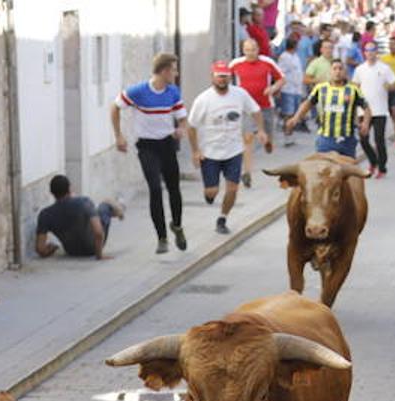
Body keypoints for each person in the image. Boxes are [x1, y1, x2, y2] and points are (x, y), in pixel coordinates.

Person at [111, 52, 188, 254]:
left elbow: (182, 118)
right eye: (174, 69)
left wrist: (181, 129)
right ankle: (162, 237)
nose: (176, 73)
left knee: (174, 188)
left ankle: (177, 226)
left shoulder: (173, 92)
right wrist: (118, 136)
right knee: (155, 188)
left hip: (167, 144)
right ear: (164, 71)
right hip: (146, 147)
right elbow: (115, 106)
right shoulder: (138, 91)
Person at [189, 61, 263, 234]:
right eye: (219, 76)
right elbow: (191, 127)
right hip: (210, 152)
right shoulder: (203, 99)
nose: (223, 80)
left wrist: (260, 129)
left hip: (233, 150)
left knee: (232, 188)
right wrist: (195, 151)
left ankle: (222, 219)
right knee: (212, 191)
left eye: (226, 76)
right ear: (213, 77)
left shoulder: (240, 94)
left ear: (230, 77)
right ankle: (209, 195)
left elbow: (256, 110)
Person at [287, 59, 369, 157]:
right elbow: (307, 104)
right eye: (335, 69)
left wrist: (366, 123)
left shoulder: (353, 90)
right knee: (323, 169)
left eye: (340, 69)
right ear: (330, 71)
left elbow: (366, 108)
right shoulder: (320, 88)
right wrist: (295, 118)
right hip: (326, 139)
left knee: (347, 169)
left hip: (347, 139)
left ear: (345, 72)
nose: (337, 71)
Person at [232, 38, 286, 183]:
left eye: (253, 49)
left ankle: (268, 142)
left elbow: (281, 78)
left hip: (265, 105)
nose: (250, 53)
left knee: (267, 137)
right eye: (247, 50)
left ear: (258, 49)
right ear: (243, 50)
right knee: (247, 138)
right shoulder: (236, 64)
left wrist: (273, 88)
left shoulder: (267, 62)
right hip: (246, 107)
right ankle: (247, 172)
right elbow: (224, 79)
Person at [35, 175, 123, 259]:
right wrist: (99, 255)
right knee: (104, 206)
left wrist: (52, 248)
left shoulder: (45, 214)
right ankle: (119, 208)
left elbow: (40, 249)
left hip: (72, 251)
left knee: (97, 211)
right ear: (69, 188)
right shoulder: (84, 202)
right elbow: (98, 232)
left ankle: (118, 208)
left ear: (51, 192)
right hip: (93, 248)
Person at [352, 42, 395, 176]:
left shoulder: (384, 68)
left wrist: (389, 87)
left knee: (379, 140)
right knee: (363, 140)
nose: (370, 53)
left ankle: (382, 168)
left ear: (376, 52)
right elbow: (355, 86)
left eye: (372, 50)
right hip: (364, 110)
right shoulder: (360, 69)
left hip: (380, 110)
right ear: (364, 53)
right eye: (367, 51)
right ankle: (373, 162)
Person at [277, 36, 305, 142]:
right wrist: (279, 88)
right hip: (288, 88)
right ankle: (287, 134)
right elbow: (280, 72)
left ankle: (291, 132)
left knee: (294, 113)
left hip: (297, 89)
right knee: (288, 113)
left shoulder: (295, 56)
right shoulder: (284, 57)